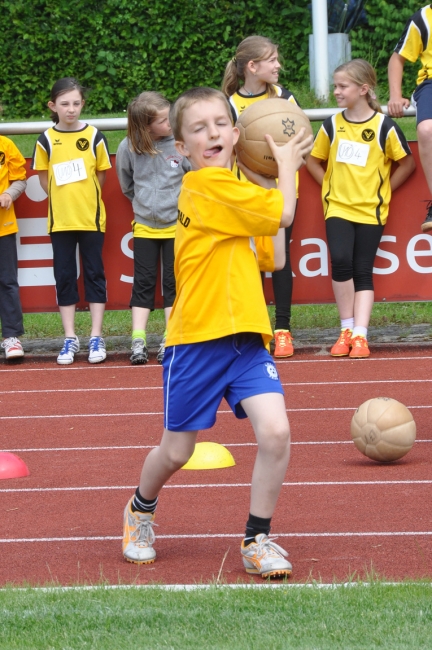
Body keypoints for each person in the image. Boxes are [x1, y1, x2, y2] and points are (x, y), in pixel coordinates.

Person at [122, 86, 313, 578]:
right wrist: (287, 165)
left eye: (220, 123)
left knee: (276, 432)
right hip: (196, 341)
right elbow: (286, 213)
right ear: (182, 148)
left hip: (246, 340)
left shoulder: (239, 192)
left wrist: (265, 173)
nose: (212, 133)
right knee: (177, 451)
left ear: (236, 132)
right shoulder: (205, 187)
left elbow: (277, 254)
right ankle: (140, 510)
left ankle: (257, 538)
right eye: (198, 128)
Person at [307, 59, 415, 359]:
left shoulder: (384, 126)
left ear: (363, 89)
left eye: (342, 86)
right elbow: (313, 161)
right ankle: (345, 328)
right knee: (341, 261)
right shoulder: (332, 124)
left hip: (371, 211)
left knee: (363, 269)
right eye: (336, 85)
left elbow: (408, 163)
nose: (336, 91)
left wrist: (385, 189)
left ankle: (361, 334)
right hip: (338, 208)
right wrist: (328, 186)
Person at [222, 34, 300, 359]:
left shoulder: (285, 97)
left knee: (280, 263)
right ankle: (256, 328)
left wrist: (277, 176)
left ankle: (283, 330)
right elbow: (229, 155)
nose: (279, 65)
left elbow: (301, 144)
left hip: (281, 192)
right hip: (246, 195)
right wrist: (254, 177)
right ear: (252, 67)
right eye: (272, 60)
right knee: (249, 263)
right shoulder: (228, 104)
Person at [32, 77, 111, 365]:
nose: (71, 109)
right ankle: (69, 337)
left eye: (76, 103)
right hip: (60, 222)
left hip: (91, 220)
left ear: (82, 104)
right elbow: (43, 179)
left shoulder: (94, 136)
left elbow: (100, 176)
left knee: (94, 274)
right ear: (53, 106)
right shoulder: (45, 140)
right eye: (64, 104)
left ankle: (96, 335)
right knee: (64, 276)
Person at [116, 92, 190, 366]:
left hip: (176, 227)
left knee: (172, 284)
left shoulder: (179, 144)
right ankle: (138, 339)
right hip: (145, 227)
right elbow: (127, 184)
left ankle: (170, 339)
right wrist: (145, 204)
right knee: (143, 283)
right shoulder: (128, 147)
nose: (170, 120)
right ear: (146, 127)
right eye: (162, 119)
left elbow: (191, 176)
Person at [388, 4, 432, 232]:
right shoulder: (424, 17)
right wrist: (395, 95)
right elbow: (397, 59)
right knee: (426, 129)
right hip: (431, 83)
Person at [0, 135, 26, 360]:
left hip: (3, 228)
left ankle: (11, 337)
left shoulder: (6, 145)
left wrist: (9, 193)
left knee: (8, 281)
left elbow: (20, 179)